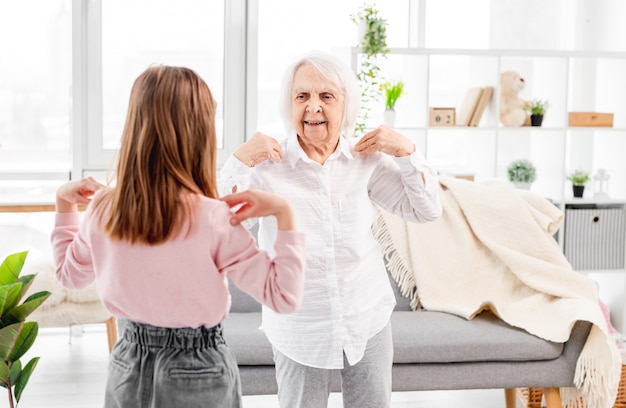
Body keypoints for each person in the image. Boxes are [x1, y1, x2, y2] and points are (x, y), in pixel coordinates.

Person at [51, 65, 306, 408]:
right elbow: (283, 297)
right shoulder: (214, 217)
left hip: (127, 362)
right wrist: (284, 213)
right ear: (198, 134)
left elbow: (69, 277)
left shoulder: (103, 207)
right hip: (198, 367)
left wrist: (63, 203)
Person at [218, 51, 442, 408]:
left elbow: (426, 210)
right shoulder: (268, 167)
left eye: (326, 96)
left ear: (345, 105)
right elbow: (219, 227)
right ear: (289, 104)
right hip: (300, 326)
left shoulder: (366, 160)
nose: (313, 107)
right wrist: (240, 160)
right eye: (302, 96)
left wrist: (407, 151)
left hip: (365, 318)